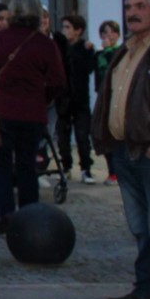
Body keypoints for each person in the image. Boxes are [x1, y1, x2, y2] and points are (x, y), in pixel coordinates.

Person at [91, 0, 150, 299]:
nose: (132, 13)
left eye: (141, 6)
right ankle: (146, 288)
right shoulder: (126, 49)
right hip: (126, 149)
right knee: (140, 227)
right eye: (128, 6)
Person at [0, 0, 66, 232]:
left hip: (2, 111)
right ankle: (30, 215)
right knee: (27, 165)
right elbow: (57, 80)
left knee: (1, 165)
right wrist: (42, 98)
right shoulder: (44, 43)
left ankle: (6, 213)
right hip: (32, 112)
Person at [57, 13, 97, 184]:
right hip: (63, 98)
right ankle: (66, 166)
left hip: (80, 98)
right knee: (62, 136)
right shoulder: (60, 46)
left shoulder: (85, 49)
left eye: (68, 27)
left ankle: (86, 168)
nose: (64, 31)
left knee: (82, 135)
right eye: (63, 27)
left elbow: (89, 68)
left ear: (78, 31)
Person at [94, 19, 122, 183]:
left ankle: (117, 171)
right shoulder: (99, 54)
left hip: (116, 97)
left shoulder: (120, 52)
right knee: (104, 135)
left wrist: (107, 51)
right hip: (103, 98)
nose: (107, 35)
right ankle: (112, 170)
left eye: (111, 32)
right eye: (104, 32)